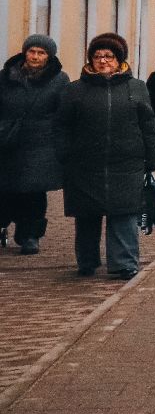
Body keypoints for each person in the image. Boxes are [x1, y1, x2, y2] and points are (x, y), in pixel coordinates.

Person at [56, 34, 155, 280]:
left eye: (109, 56)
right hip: (84, 164)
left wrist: (152, 156)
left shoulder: (136, 88)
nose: (103, 61)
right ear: (90, 60)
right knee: (87, 215)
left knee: (123, 214)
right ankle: (87, 261)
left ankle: (124, 263)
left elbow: (148, 125)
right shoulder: (75, 90)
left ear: (119, 59)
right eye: (97, 56)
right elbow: (62, 126)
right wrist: (64, 154)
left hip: (127, 163)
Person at [0, 35, 69, 254]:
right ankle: (3, 227)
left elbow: (63, 113)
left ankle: (30, 235)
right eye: (32, 52)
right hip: (7, 141)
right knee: (5, 189)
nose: (35, 57)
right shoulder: (6, 76)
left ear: (49, 56)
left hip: (40, 143)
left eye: (41, 53)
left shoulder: (59, 80)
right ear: (24, 52)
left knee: (33, 192)